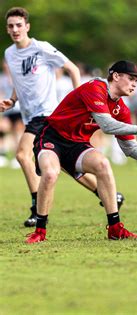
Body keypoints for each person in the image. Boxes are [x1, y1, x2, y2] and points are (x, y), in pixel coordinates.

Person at [23, 60, 137, 243]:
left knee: (103, 164)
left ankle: (115, 228)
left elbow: (130, 148)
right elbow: (107, 125)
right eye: (131, 78)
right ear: (116, 76)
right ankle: (40, 231)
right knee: (50, 173)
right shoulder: (95, 88)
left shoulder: (121, 109)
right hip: (51, 138)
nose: (135, 84)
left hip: (77, 144)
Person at [0, 7, 124, 228]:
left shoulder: (42, 49)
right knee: (65, 165)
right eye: (10, 26)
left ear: (27, 26)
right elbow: (21, 83)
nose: (15, 29)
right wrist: (12, 99)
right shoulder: (9, 54)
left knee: (21, 155)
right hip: (30, 115)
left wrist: (84, 103)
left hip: (48, 113)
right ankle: (109, 196)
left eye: (19, 25)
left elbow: (73, 69)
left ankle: (35, 209)